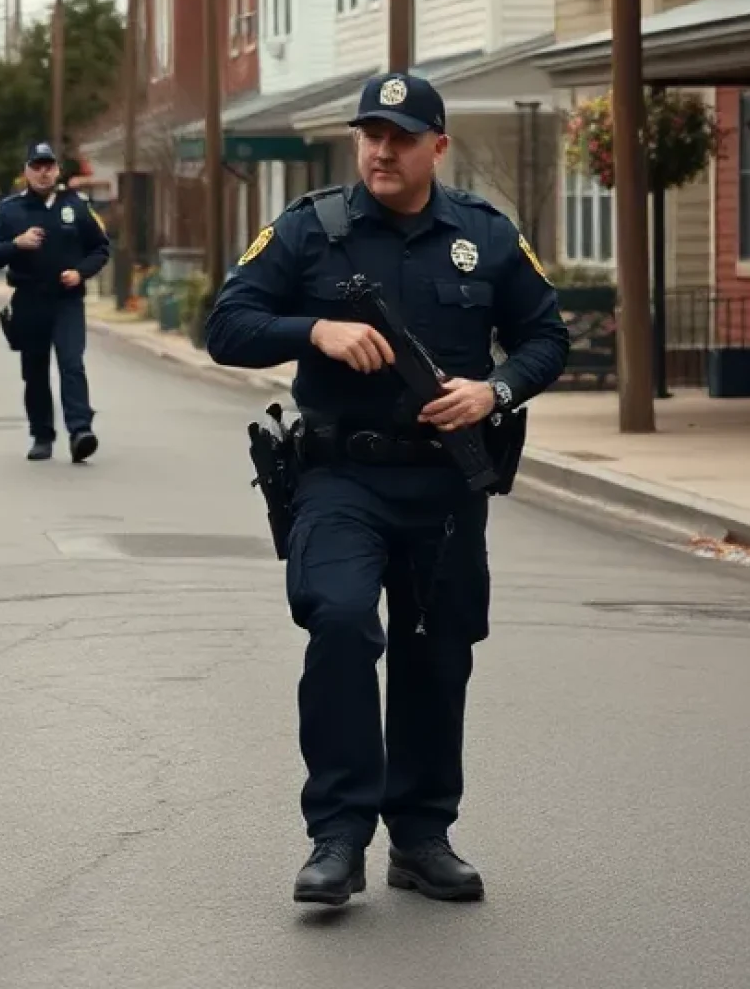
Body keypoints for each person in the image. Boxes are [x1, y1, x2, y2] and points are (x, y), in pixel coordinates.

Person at [205, 73, 568, 909]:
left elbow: (544, 335)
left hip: (445, 484)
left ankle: (421, 835)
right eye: (371, 133)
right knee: (338, 619)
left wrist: (494, 390)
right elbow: (226, 326)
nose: (382, 150)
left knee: (436, 655)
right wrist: (315, 330)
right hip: (340, 476)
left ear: (437, 146)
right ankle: (337, 837)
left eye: (401, 136)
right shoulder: (309, 230)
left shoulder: (484, 236)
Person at [0, 141, 111, 463]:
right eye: (36, 166)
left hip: (67, 300)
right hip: (29, 300)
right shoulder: (11, 210)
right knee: (34, 371)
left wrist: (80, 273)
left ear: (57, 170)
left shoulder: (75, 206)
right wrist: (15, 244)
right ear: (26, 172)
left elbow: (100, 249)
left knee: (72, 364)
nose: (43, 172)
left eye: (48, 166)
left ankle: (80, 431)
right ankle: (42, 435)